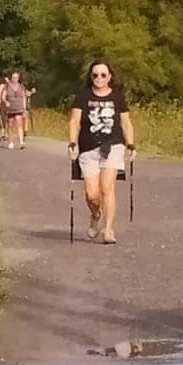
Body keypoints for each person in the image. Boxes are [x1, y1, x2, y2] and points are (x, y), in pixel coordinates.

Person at [67, 61, 136, 244]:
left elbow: (126, 123)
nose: (99, 78)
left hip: (113, 146)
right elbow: (75, 121)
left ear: (110, 77)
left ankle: (108, 230)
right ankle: (95, 215)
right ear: (90, 77)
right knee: (92, 194)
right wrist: (72, 142)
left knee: (107, 188)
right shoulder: (83, 96)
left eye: (103, 75)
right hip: (88, 148)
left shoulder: (117, 97)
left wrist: (131, 144)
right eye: (95, 75)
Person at [0, 71, 33, 150]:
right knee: (10, 125)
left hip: (19, 107)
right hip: (10, 108)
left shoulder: (21, 86)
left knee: (19, 124)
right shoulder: (7, 86)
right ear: (11, 78)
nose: (15, 79)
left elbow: (24, 97)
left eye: (16, 78)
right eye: (13, 77)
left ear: (18, 78)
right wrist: (6, 102)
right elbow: (3, 97)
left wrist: (24, 108)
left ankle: (21, 142)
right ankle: (11, 142)